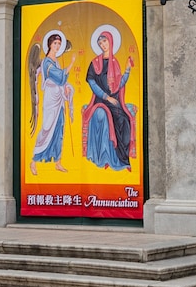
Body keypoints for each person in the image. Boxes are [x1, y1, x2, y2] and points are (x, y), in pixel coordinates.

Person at [82, 28, 136, 171]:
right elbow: (92, 83)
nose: (103, 44)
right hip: (101, 100)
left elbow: (119, 84)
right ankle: (107, 158)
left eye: (104, 41)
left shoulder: (115, 62)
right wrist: (107, 97)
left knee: (125, 120)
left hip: (114, 100)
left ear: (110, 42)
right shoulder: (94, 63)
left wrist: (127, 70)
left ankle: (123, 160)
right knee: (113, 118)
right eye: (100, 42)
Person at [29, 32, 75, 176]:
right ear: (49, 44)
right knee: (47, 128)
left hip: (59, 98)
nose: (57, 46)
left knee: (59, 129)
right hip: (51, 99)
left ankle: (58, 161)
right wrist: (71, 64)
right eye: (55, 43)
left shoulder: (56, 61)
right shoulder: (47, 62)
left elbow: (62, 81)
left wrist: (66, 87)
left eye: (59, 44)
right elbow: (59, 77)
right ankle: (34, 161)